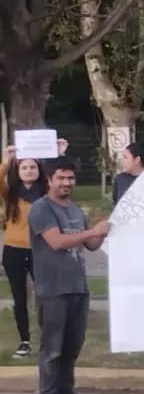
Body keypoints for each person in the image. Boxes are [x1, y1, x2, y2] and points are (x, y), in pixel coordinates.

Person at [27, 158, 109, 394]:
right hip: (52, 288)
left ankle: (67, 393)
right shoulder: (41, 209)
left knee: (73, 345)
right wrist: (91, 232)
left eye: (70, 178)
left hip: (77, 285)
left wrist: (102, 232)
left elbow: (90, 245)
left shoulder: (75, 209)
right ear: (49, 180)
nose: (66, 183)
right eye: (60, 178)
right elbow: (57, 242)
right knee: (53, 347)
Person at [1, 138, 68, 357]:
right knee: (19, 298)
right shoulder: (10, 193)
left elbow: (63, 181)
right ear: (17, 170)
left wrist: (58, 154)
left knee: (45, 295)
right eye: (24, 167)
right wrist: (7, 159)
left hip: (40, 250)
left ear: (39, 170)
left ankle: (49, 339)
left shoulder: (46, 193)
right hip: (13, 250)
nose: (29, 171)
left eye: (32, 167)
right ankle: (25, 341)